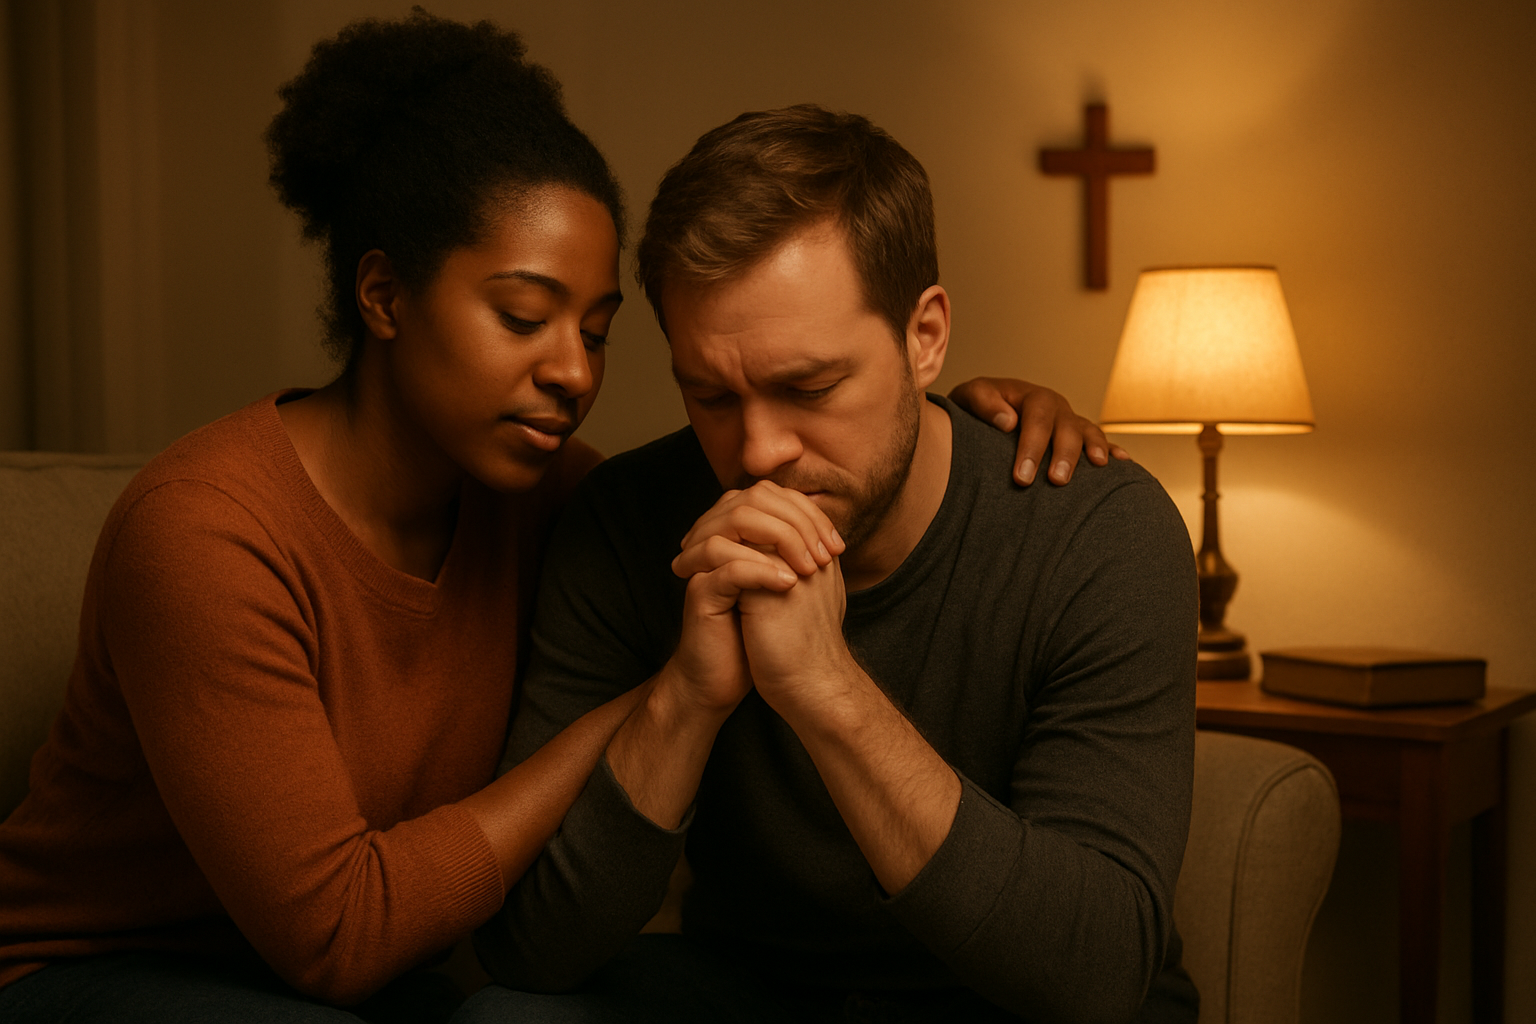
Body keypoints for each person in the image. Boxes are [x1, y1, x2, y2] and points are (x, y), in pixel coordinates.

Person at [0, 13, 1113, 1024]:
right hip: (117, 966)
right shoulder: (203, 533)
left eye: (597, 328)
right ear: (384, 296)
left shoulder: (554, 499)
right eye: (523, 316)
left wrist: (958, 419)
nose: (574, 371)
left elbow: (869, 457)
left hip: (386, 983)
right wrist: (668, 690)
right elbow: (341, 935)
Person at [464, 106, 1199, 1024]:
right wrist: (686, 698)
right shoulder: (625, 521)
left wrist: (825, 688)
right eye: (711, 396)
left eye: (809, 387)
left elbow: (1097, 976)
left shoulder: (1100, 533)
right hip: (760, 992)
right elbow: (529, 947)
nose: (758, 451)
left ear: (925, 337)